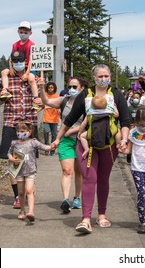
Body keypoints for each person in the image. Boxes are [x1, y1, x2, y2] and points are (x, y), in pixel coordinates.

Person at [52, 64, 130, 234]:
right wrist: (58, 138)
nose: (103, 79)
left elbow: (125, 120)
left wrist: (123, 139)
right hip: (87, 144)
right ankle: (85, 219)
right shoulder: (84, 95)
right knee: (89, 178)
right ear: (94, 78)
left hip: (109, 145)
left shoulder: (116, 94)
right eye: (100, 76)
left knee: (103, 179)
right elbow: (70, 119)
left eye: (106, 76)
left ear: (110, 76)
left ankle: (101, 214)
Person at [0, 50, 42, 210]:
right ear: (11, 61)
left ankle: (28, 189)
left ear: (25, 61)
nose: (18, 63)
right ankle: (17, 195)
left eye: (20, 60)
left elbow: (41, 103)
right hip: (11, 123)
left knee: (28, 160)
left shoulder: (33, 78)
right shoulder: (5, 78)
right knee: (12, 160)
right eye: (15, 60)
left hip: (29, 124)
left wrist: (41, 92)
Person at [39, 77, 86, 213]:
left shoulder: (87, 102)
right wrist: (42, 88)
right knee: (67, 171)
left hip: (81, 140)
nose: (71, 89)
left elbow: (90, 121)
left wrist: (73, 130)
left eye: (74, 87)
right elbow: (46, 101)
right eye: (69, 86)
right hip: (65, 141)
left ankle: (77, 197)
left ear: (81, 88)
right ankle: (65, 200)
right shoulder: (64, 100)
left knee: (79, 171)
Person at [7, 121, 53, 222]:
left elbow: (44, 147)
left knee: (29, 190)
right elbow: (9, 153)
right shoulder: (14, 143)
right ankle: (22, 211)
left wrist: (52, 146)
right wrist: (11, 159)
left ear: (29, 131)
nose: (20, 133)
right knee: (21, 192)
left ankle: (31, 211)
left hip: (30, 171)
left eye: (23, 131)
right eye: (18, 131)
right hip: (19, 172)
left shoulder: (33, 142)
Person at [0, 21, 39, 110]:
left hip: (28, 66)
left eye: (25, 33)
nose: (23, 34)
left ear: (30, 33)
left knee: (31, 79)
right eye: (21, 32)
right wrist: (11, 68)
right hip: (16, 66)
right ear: (18, 32)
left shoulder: (31, 45)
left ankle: (36, 98)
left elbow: (32, 59)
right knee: (4, 72)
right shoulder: (15, 44)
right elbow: (11, 57)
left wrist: (27, 73)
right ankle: (5, 90)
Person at [42, 82, 60, 156]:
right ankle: (46, 148)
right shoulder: (45, 96)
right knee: (46, 132)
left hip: (54, 118)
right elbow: (41, 106)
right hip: (46, 117)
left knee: (54, 135)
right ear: (47, 88)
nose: (50, 89)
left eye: (52, 87)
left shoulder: (57, 96)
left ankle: (52, 150)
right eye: (49, 87)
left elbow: (60, 106)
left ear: (54, 88)